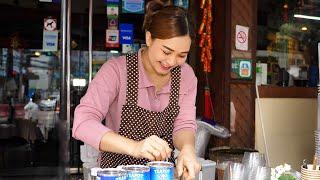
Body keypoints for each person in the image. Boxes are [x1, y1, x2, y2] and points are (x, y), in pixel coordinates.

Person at [72, 0, 200, 179]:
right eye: (166, 51)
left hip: (161, 174)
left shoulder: (186, 76)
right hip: (117, 175)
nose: (172, 62)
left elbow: (184, 124)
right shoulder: (117, 71)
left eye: (182, 55)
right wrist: (135, 147)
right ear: (149, 38)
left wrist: (187, 148)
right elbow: (82, 123)